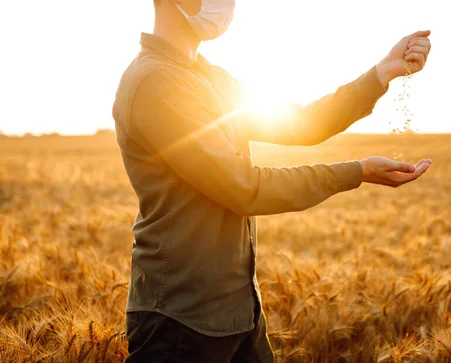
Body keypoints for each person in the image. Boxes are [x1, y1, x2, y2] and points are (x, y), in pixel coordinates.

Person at [112, 0, 432, 361]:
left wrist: (380, 74)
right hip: (181, 320)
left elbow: (299, 123)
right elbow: (244, 188)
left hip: (240, 311)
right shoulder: (157, 82)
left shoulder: (207, 76)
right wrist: (356, 171)